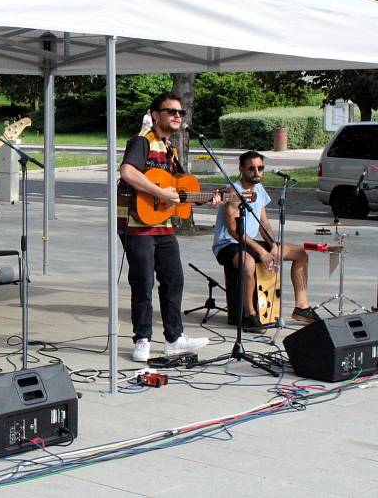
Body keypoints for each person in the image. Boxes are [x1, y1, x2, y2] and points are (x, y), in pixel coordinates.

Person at [118, 93, 218, 362]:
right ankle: (142, 338)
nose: (177, 116)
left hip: (162, 225)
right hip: (136, 224)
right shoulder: (142, 141)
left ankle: (174, 339)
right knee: (143, 282)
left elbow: (178, 192)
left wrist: (205, 200)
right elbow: (127, 172)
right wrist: (160, 194)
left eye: (180, 112)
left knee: (174, 280)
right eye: (171, 111)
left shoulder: (170, 150)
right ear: (155, 114)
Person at [212, 151, 319, 331]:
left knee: (300, 253)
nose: (257, 172)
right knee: (248, 263)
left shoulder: (259, 189)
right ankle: (250, 315)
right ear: (241, 168)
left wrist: (273, 246)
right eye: (251, 168)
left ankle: (302, 307)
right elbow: (234, 231)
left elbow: (264, 222)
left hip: (249, 241)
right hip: (228, 244)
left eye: (260, 168)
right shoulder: (233, 191)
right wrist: (262, 252)